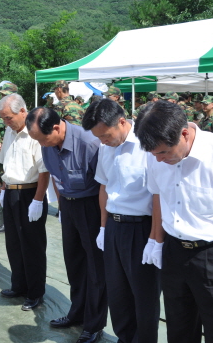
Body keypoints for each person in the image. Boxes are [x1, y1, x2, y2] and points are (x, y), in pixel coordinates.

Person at [135, 100, 213, 343]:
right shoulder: (155, 153)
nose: (158, 160)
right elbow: (158, 196)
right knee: (179, 328)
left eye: (163, 152)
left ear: (184, 134)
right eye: (153, 154)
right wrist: (156, 240)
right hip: (174, 252)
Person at [82, 99, 161, 343]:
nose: (102, 141)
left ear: (122, 122)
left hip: (142, 228)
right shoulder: (106, 146)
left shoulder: (147, 145)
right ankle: (125, 338)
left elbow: (159, 195)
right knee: (118, 294)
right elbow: (103, 187)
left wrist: (155, 239)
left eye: (105, 135)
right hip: (114, 228)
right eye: (99, 137)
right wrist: (104, 228)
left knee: (143, 296)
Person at [27, 107, 107, 343]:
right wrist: (62, 207)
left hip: (92, 206)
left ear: (56, 127)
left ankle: (94, 324)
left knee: (95, 268)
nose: (42, 144)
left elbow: (104, 185)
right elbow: (55, 175)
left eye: (42, 139)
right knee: (73, 262)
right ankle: (77, 312)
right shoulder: (48, 144)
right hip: (69, 206)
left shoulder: (89, 142)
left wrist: (102, 224)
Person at [0, 94, 49, 312]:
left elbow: (44, 171)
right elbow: (3, 162)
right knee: (14, 244)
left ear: (22, 112)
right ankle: (18, 285)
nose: (6, 122)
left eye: (8, 118)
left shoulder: (36, 133)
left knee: (32, 246)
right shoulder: (10, 131)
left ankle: (35, 292)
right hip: (11, 193)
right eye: (3, 118)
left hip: (30, 194)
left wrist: (38, 199)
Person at [0, 81, 19, 234]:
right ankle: (5, 220)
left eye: (5, 95)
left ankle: (12, 221)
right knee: (2, 188)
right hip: (2, 156)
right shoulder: (2, 112)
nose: (2, 99)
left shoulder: (19, 113)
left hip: (13, 156)